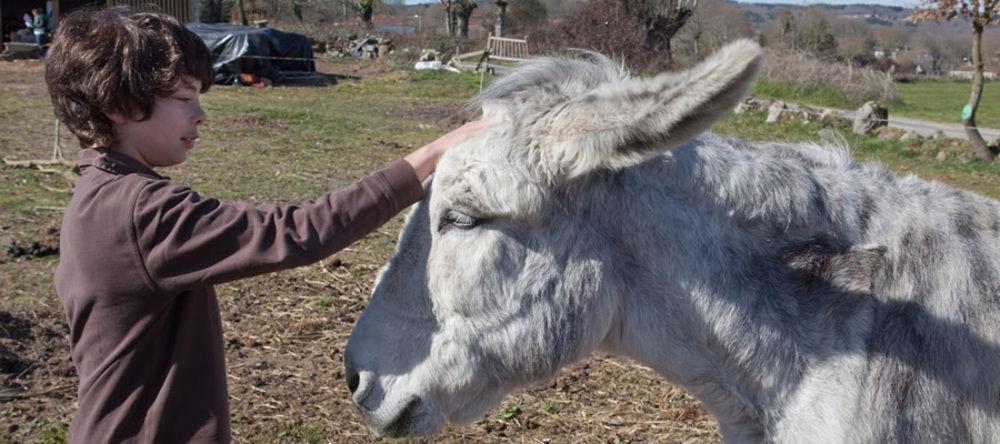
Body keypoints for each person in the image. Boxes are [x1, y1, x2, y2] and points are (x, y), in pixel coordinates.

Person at [44, 6, 485, 443]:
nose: (200, 114)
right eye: (183, 97)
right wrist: (431, 155)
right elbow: (301, 232)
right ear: (117, 104)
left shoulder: (97, 195)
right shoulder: (141, 212)